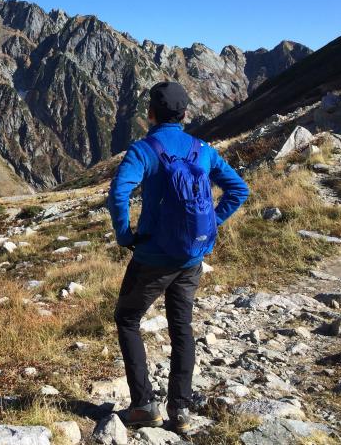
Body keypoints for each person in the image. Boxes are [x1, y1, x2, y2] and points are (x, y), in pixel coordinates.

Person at [107, 81, 249, 434]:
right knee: (181, 327)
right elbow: (238, 189)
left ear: (150, 114)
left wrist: (126, 235)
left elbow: (118, 195)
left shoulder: (143, 150)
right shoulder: (203, 149)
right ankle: (180, 411)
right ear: (185, 114)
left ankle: (143, 406)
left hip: (153, 256)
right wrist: (212, 223)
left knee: (127, 319)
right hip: (191, 256)